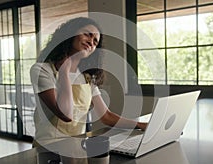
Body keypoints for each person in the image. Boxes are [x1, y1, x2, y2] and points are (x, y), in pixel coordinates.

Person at [30, 17, 147, 147]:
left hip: (76, 146)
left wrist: (140, 125)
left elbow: (106, 116)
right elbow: (65, 114)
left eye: (95, 42)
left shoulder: (86, 77)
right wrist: (64, 72)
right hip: (47, 148)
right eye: (87, 34)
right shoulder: (42, 70)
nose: (91, 42)